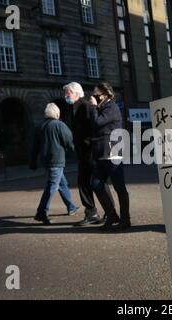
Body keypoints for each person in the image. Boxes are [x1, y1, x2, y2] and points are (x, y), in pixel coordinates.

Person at [63, 82, 113, 226]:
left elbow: (94, 124)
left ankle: (109, 212)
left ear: (77, 93)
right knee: (84, 182)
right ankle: (92, 213)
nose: (66, 96)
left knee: (97, 182)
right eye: (65, 93)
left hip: (90, 152)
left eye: (68, 93)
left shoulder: (85, 106)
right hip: (83, 152)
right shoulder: (75, 107)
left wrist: (88, 141)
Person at [88, 82, 131, 231]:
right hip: (101, 154)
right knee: (96, 184)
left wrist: (93, 107)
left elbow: (98, 122)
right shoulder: (101, 107)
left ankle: (125, 220)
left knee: (119, 187)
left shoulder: (111, 107)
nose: (93, 96)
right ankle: (112, 215)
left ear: (104, 95)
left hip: (113, 152)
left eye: (96, 94)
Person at [30, 103, 79, 225]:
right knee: (52, 186)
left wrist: (33, 161)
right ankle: (41, 212)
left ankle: (71, 207)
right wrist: (79, 154)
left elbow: (34, 146)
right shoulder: (59, 125)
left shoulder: (39, 126)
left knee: (62, 184)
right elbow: (69, 141)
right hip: (57, 160)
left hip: (46, 161)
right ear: (57, 114)